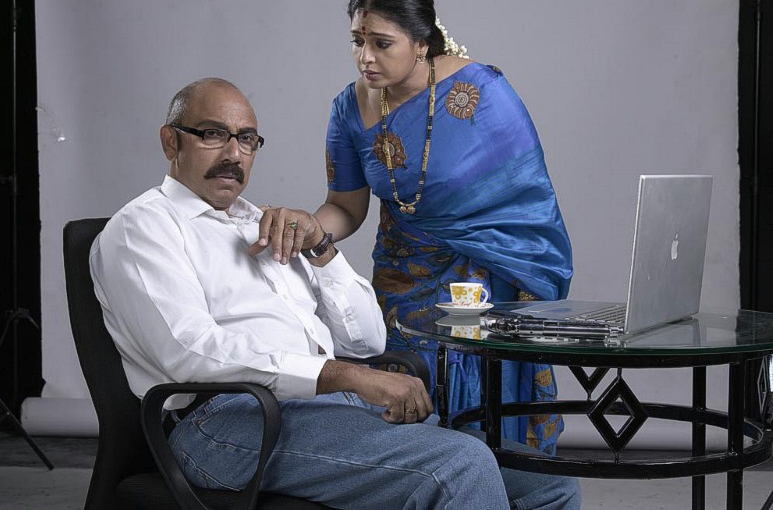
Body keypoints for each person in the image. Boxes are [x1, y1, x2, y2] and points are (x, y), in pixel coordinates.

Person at [90, 77, 580, 509]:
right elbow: (188, 352)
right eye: (213, 134)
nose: (234, 155)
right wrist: (345, 376)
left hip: (323, 410)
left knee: (546, 484)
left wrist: (322, 250)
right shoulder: (144, 228)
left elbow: (366, 341)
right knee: (460, 465)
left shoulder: (264, 223)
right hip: (226, 423)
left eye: (247, 139)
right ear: (171, 141)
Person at [260, 0, 574, 453]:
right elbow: (345, 207)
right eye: (357, 41)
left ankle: (495, 482)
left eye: (382, 43)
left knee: (481, 403)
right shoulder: (349, 108)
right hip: (402, 279)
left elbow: (527, 198)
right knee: (406, 406)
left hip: (485, 277)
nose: (365, 57)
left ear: (422, 43)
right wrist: (310, 229)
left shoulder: (481, 91)